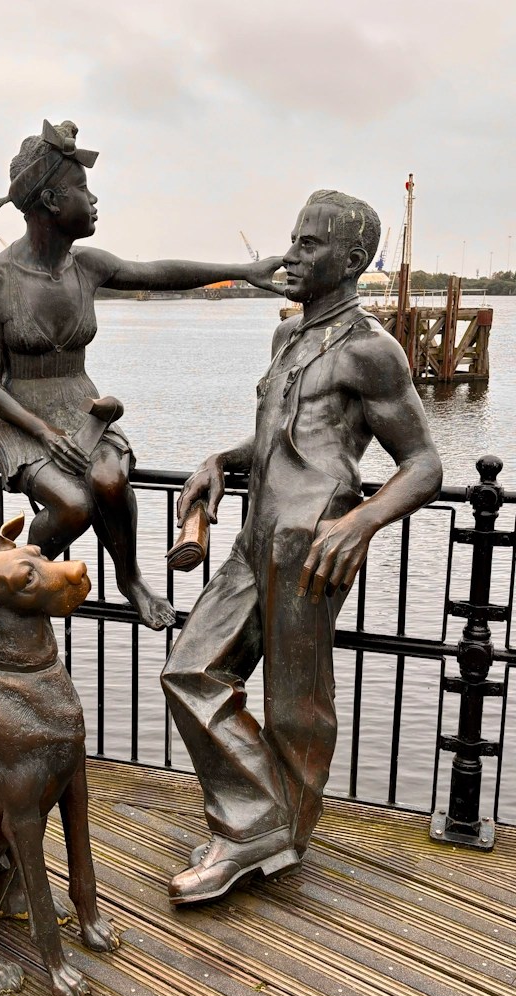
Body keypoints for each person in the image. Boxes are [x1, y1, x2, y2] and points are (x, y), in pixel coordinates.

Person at [160, 189, 443, 904]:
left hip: (313, 539)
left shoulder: (371, 351)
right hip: (257, 534)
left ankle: (262, 831)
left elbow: (425, 465)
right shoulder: (287, 337)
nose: (292, 253)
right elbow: (278, 440)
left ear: (351, 261)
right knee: (190, 669)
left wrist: (360, 523)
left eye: (310, 244)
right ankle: (260, 824)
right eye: (293, 238)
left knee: (296, 706)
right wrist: (221, 463)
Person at [0, 119, 283, 630]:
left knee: (110, 480)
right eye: (82, 190)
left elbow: (159, 273)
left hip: (83, 407)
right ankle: (6, 585)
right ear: (50, 200)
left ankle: (129, 579)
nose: (94, 201)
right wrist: (43, 434)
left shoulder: (86, 266)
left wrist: (241, 270)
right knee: (72, 506)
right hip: (25, 417)